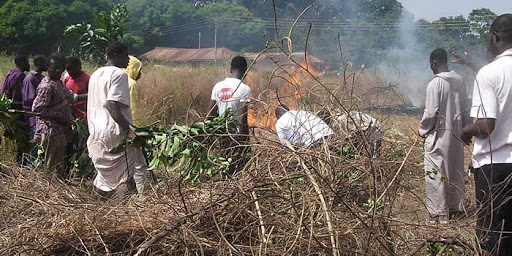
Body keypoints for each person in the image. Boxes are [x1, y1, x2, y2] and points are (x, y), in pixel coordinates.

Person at [460, 14, 512, 255]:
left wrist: (465, 130)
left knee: (493, 237)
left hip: (496, 169)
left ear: (496, 36)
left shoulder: (489, 74)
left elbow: (486, 126)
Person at [87, 42, 147, 201]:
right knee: (124, 176)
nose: (128, 60)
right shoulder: (119, 75)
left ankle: (97, 210)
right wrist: (129, 130)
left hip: (95, 132)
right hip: (114, 132)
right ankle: (124, 215)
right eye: (125, 55)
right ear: (116, 55)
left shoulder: (95, 74)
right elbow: (111, 105)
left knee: (104, 177)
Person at [419, 48, 471, 225]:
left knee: (436, 173)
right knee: (455, 170)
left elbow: (431, 113)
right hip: (456, 135)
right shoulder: (460, 81)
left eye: (430, 64)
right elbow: (466, 108)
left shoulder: (435, 84)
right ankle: (455, 208)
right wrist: (465, 129)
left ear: (433, 62)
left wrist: (422, 131)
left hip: (439, 136)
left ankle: (437, 214)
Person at [208, 56, 252, 175]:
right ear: (245, 70)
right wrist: (245, 142)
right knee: (239, 169)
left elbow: (210, 114)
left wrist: (210, 133)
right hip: (237, 135)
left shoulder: (218, 86)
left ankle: (224, 185)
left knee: (226, 163)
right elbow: (242, 118)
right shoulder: (244, 89)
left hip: (222, 132)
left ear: (230, 70)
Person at [32, 53, 73, 178]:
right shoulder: (47, 86)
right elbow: (38, 110)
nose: (58, 70)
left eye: (61, 68)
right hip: (51, 132)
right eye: (55, 67)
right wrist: (60, 117)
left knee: (58, 167)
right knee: (51, 168)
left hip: (59, 132)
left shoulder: (57, 83)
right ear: (47, 67)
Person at [21, 55, 47, 164]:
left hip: (40, 118)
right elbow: (29, 100)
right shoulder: (30, 78)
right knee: (35, 147)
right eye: (45, 63)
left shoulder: (41, 78)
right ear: (40, 64)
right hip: (33, 118)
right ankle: (29, 170)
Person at [123, 55, 143, 127]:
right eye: (138, 70)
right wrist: (137, 129)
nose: (140, 74)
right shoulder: (131, 84)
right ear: (132, 69)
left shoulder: (118, 79)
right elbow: (134, 111)